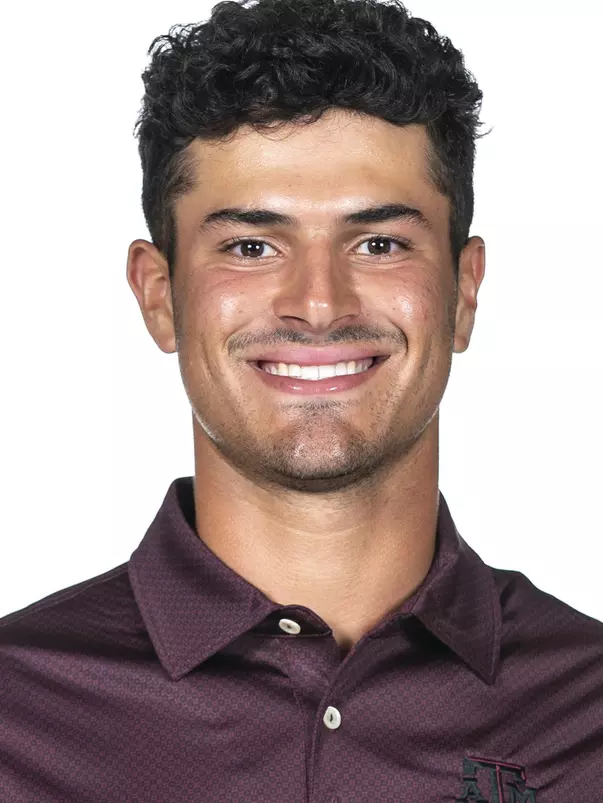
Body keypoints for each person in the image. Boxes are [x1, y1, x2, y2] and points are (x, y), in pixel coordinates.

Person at [1, 0, 601, 799]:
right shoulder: (16, 713)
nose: (318, 303)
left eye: (378, 243)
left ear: (462, 293)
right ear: (157, 294)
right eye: (251, 246)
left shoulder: (586, 710)